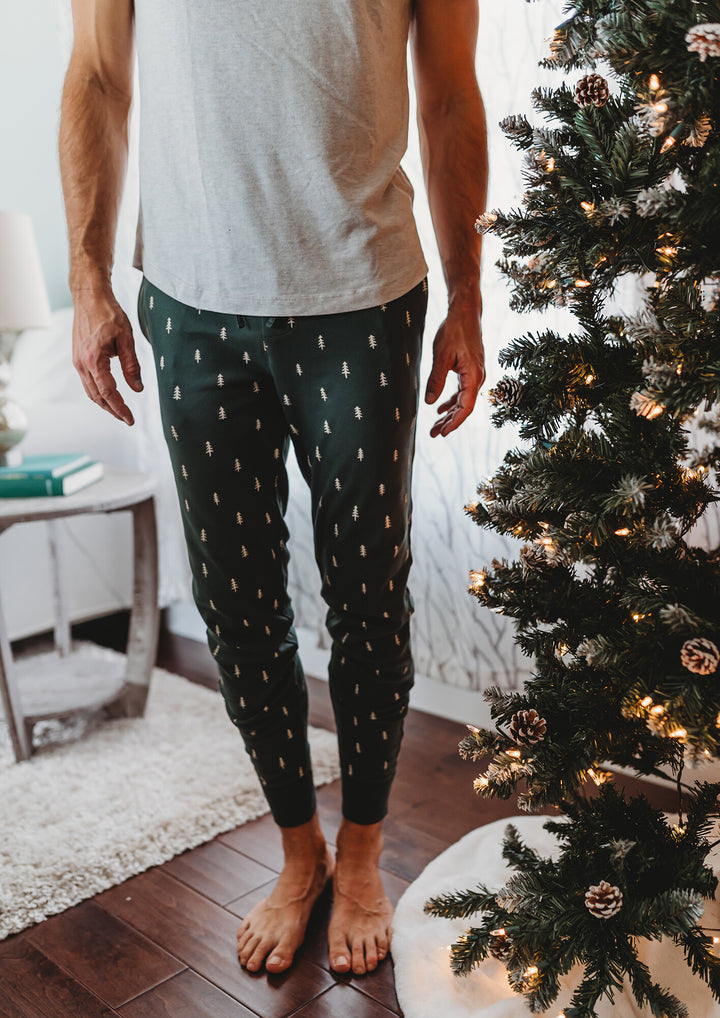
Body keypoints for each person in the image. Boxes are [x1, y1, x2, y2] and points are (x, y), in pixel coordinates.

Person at [60, 0, 488, 979]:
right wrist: (89, 277)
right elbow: (96, 74)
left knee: (369, 600)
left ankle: (366, 852)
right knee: (236, 607)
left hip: (364, 300)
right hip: (191, 303)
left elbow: (452, 93)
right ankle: (302, 855)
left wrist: (467, 297)